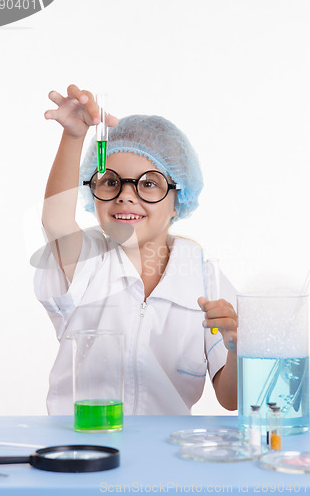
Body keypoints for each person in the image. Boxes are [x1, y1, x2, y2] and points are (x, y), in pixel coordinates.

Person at [34, 84, 238, 415]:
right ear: (94, 189)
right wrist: (74, 137)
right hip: (86, 444)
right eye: (111, 181)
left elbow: (232, 399)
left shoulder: (203, 279)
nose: (126, 195)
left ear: (178, 200)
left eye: (148, 183)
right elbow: (56, 223)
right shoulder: (88, 260)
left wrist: (237, 349)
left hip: (164, 453)